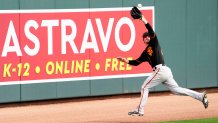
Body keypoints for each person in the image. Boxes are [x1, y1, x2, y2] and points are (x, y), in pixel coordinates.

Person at [117, 14, 209, 116]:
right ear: (143, 40)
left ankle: (140, 110)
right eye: (144, 37)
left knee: (144, 87)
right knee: (176, 90)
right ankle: (200, 96)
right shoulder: (145, 52)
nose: (147, 37)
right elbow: (137, 62)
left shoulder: (155, 42)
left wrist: (143, 19)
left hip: (161, 70)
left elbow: (150, 30)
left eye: (148, 36)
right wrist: (126, 61)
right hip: (164, 72)